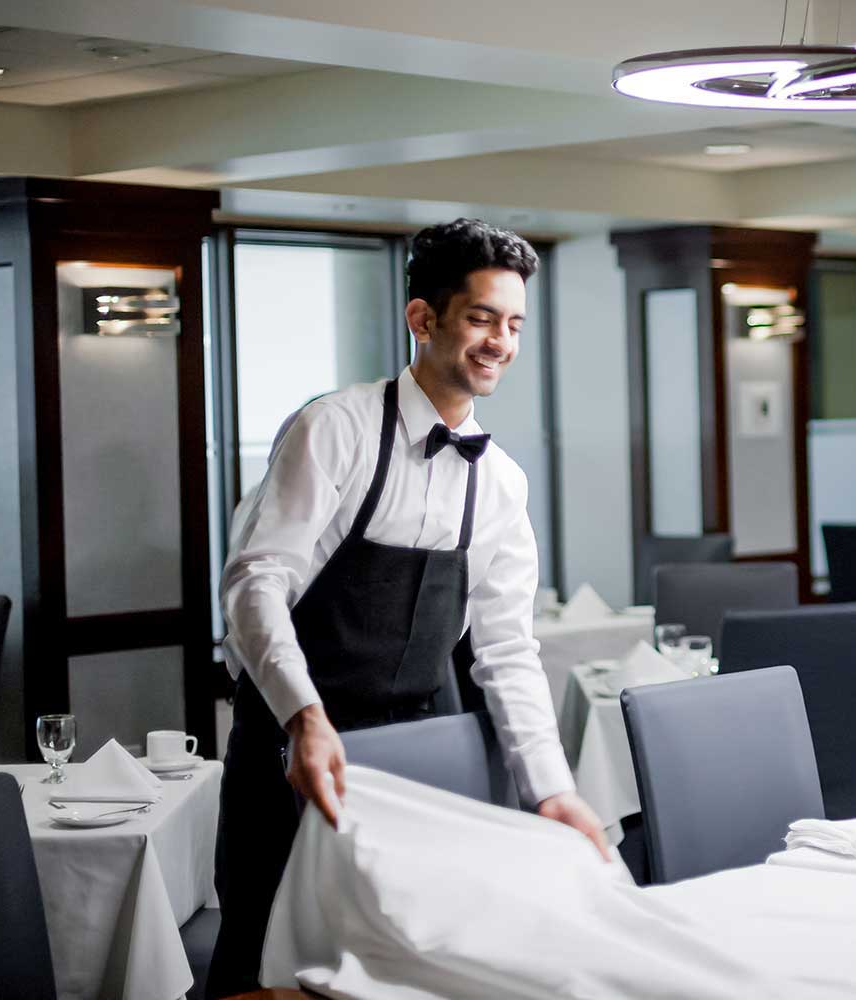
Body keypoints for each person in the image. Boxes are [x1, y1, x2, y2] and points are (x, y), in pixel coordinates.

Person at [206, 219, 608, 997]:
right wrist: (303, 716)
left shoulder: (502, 482)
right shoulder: (335, 427)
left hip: (417, 762)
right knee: (269, 970)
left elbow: (506, 652)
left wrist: (552, 789)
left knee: (408, 966)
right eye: (481, 318)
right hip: (295, 755)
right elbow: (255, 585)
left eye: (514, 324)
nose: (501, 342)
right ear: (423, 319)